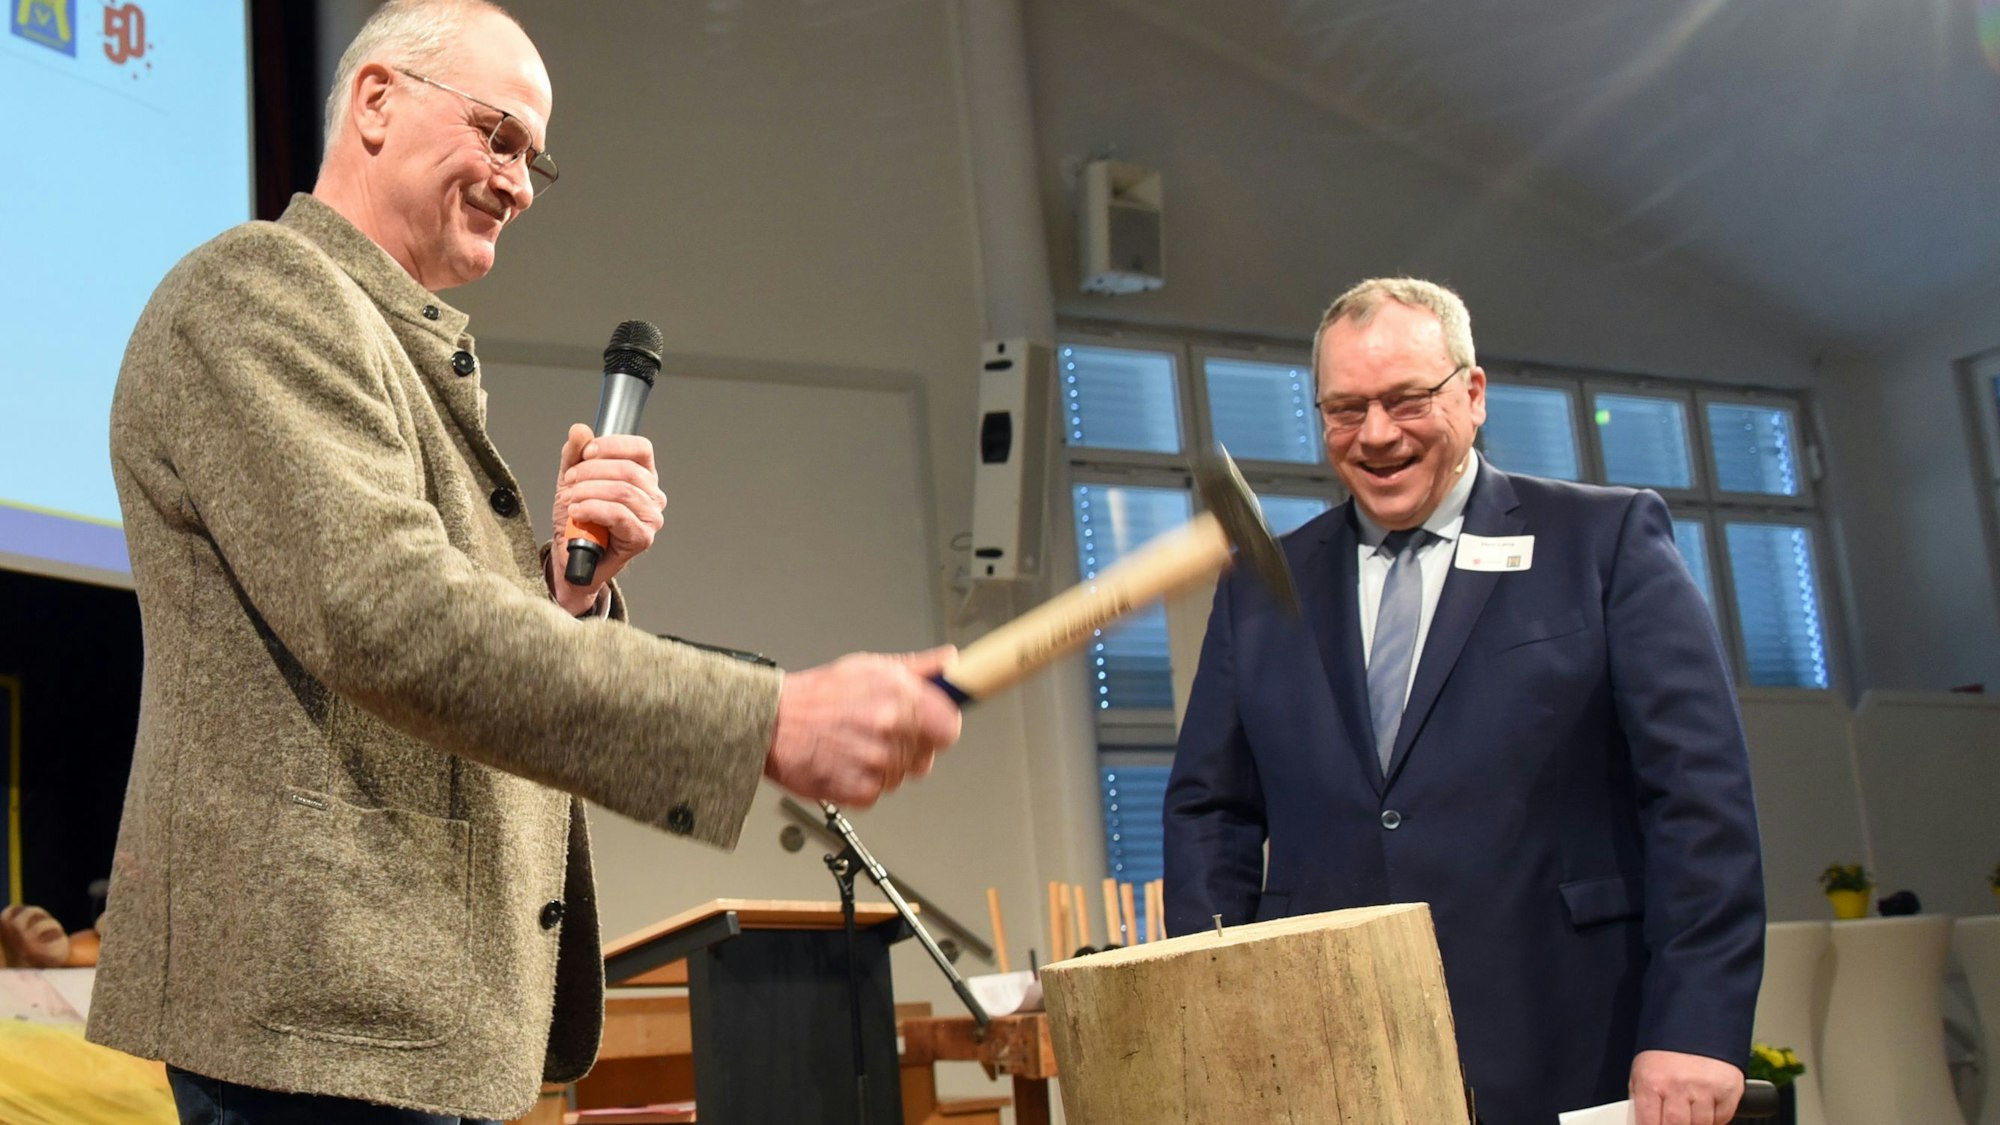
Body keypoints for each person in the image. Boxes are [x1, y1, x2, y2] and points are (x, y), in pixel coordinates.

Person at [85, 2, 961, 1121]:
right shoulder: (259, 292)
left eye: (534, 157)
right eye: (498, 136)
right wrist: (763, 721)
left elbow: (417, 646)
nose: (521, 181)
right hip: (318, 1030)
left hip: (399, 1030)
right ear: (375, 100)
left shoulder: (384, 340)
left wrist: (566, 596)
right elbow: (385, 618)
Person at [1163, 278, 1764, 1125]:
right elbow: (1210, 811)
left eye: (1407, 400)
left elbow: (1699, 800)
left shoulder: (1604, 542)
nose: (1375, 435)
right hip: (1327, 1054)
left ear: (1472, 393)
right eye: (1345, 409)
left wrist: (1698, 1025)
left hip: (1566, 1039)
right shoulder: (1262, 588)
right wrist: (1212, 1007)